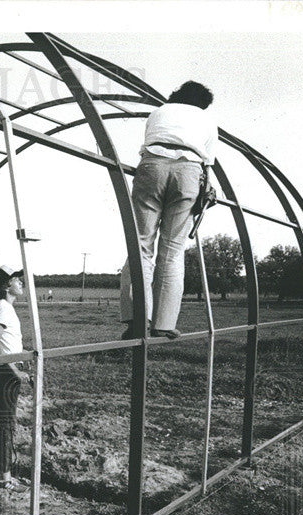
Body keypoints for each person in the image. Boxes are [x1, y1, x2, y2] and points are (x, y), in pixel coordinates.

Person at [120, 81, 218, 340]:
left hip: (153, 165)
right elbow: (208, 162)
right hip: (188, 171)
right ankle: (163, 324)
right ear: (202, 104)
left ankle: (137, 320)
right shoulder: (207, 120)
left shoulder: (159, 111)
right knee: (172, 252)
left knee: (140, 245)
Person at [0, 264, 30, 490]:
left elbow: (5, 343)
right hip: (5, 373)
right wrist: (16, 370)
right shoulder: (3, 307)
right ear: (5, 285)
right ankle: (4, 477)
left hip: (3, 370)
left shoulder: (3, 306)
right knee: (5, 426)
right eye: (16, 279)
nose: (20, 282)